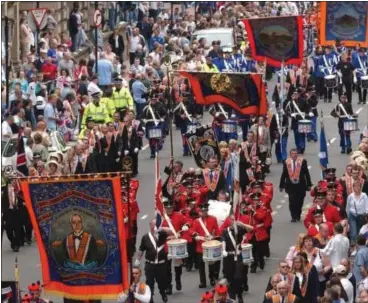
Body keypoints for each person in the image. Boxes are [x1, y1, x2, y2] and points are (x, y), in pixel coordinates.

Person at [134, 219, 172, 303]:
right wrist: (137, 260)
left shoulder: (162, 234)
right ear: (150, 226)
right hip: (150, 264)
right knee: (149, 283)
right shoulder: (145, 237)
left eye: (157, 225)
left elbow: (171, 231)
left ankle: (163, 293)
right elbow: (141, 250)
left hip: (161, 264)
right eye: (154, 225)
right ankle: (150, 299)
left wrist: (161, 228)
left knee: (162, 282)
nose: (155, 227)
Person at [220, 214, 254, 303]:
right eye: (231, 219)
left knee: (238, 277)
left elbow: (251, 229)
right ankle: (233, 297)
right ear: (228, 221)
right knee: (230, 278)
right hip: (228, 257)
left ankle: (237, 294)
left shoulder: (239, 229)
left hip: (238, 256)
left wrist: (242, 224)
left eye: (234, 219)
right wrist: (223, 250)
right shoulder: (225, 231)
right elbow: (223, 240)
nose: (233, 221)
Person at [192, 202, 220, 288]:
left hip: (210, 244)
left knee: (211, 263)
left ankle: (211, 278)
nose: (203, 212)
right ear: (200, 211)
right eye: (202, 211)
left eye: (205, 211)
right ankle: (202, 282)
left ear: (207, 211)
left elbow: (217, 231)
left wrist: (213, 236)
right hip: (200, 245)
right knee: (201, 265)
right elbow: (192, 230)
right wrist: (195, 236)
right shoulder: (196, 221)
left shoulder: (213, 219)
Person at [279, 149, 312, 222]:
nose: (295, 155)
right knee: (292, 201)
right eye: (293, 153)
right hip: (290, 185)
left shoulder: (303, 161)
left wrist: (309, 184)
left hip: (301, 185)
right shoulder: (286, 162)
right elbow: (284, 174)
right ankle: (293, 216)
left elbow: (306, 173)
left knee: (300, 201)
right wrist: (281, 185)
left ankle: (298, 214)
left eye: (296, 153)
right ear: (290, 155)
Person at [346, 181, 368, 245]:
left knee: (361, 232)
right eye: (355, 186)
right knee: (353, 232)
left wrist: (366, 215)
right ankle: (353, 246)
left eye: (358, 186)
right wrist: (347, 217)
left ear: (361, 187)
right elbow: (347, 207)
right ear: (353, 187)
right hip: (352, 215)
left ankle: (361, 245)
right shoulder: (350, 196)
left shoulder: (364, 196)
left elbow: (367, 206)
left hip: (362, 216)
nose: (357, 188)